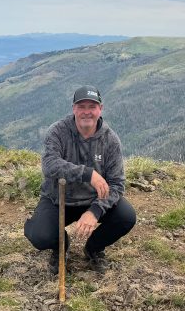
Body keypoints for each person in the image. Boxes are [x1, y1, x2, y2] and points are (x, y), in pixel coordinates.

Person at [24, 85, 136, 273]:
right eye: (81, 106)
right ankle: (61, 245)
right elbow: (49, 164)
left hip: (93, 199)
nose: (86, 112)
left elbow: (117, 184)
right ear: (74, 108)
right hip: (59, 200)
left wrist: (95, 210)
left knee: (126, 217)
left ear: (100, 109)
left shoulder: (110, 140)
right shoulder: (58, 131)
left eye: (92, 107)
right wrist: (88, 174)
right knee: (39, 235)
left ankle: (94, 248)